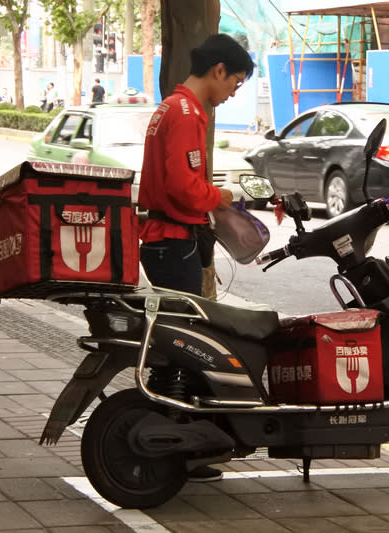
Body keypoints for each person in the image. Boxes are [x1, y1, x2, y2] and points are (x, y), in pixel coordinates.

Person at [137, 33, 253, 480]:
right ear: (219, 70)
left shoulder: (172, 106)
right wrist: (219, 195)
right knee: (186, 347)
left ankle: (180, 442)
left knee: (178, 343)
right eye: (235, 83)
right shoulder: (186, 113)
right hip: (173, 240)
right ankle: (179, 447)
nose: (232, 93)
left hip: (166, 238)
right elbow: (183, 188)